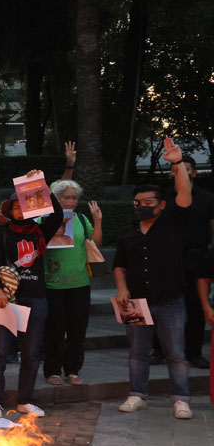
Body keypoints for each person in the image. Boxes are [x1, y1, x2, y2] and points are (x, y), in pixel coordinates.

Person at [115, 138, 194, 419]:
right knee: (137, 352)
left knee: (176, 353)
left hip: (170, 300)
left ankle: (181, 399)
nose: (142, 206)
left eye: (148, 202)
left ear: (161, 205)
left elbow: (184, 194)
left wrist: (177, 163)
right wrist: (122, 289)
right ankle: (137, 395)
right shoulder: (128, 232)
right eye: (137, 203)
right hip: (136, 302)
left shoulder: (173, 223)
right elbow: (119, 265)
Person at [0, 176, 64, 419]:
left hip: (36, 296)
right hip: (7, 298)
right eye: (15, 207)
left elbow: (57, 216)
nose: (19, 211)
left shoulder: (39, 232)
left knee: (32, 352)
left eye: (23, 206)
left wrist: (42, 188)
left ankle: (25, 399)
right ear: (9, 209)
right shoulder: (1, 231)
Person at [42, 180, 103, 387]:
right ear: (56, 199)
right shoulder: (46, 219)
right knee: (54, 331)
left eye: (74, 198)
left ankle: (73, 370)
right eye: (66, 197)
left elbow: (95, 243)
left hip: (80, 283)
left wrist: (98, 221)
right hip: (52, 284)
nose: (71, 202)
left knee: (78, 331)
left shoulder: (81, 219)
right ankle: (52, 370)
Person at [169, 154, 214, 369]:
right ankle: (160, 350)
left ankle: (194, 352)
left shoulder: (207, 198)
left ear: (194, 172)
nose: (181, 172)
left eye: (186, 169)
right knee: (164, 303)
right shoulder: (162, 197)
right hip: (169, 258)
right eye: (176, 169)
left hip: (198, 257)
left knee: (196, 306)